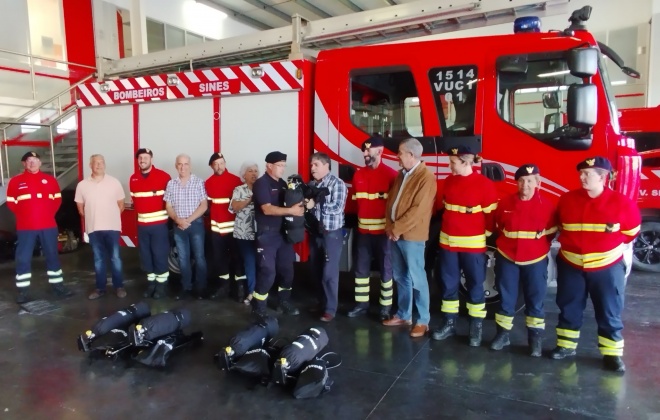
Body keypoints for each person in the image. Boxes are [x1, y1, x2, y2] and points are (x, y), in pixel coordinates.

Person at [550, 157, 640, 372]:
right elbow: (560, 225)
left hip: (606, 266)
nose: (582, 178)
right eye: (580, 173)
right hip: (571, 264)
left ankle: (612, 354)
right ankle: (566, 346)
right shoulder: (567, 200)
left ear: (602, 177)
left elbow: (631, 233)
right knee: (569, 307)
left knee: (609, 310)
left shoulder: (621, 203)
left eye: (587, 174)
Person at [431, 145, 498, 347]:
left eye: (453, 163)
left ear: (466, 162)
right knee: (448, 286)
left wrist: (482, 235)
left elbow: (491, 216)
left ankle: (475, 327)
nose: (450, 167)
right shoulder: (449, 182)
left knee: (475, 286)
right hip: (448, 244)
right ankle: (449, 323)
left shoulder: (484, 184)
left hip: (472, 246)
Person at [489, 164, 557, 356]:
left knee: (535, 301)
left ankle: (535, 340)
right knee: (505, 299)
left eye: (529, 181)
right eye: (521, 181)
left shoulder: (547, 205)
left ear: (538, 183)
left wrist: (537, 248)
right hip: (507, 257)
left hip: (535, 260)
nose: (525, 185)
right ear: (516, 182)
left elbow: (551, 232)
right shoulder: (505, 204)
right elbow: (497, 226)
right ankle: (503, 335)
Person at [382, 138, 437, 338]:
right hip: (396, 233)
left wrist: (395, 229)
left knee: (417, 279)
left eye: (400, 152)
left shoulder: (426, 178)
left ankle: (423, 320)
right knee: (400, 277)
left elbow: (418, 211)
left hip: (412, 236)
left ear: (411, 155)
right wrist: (390, 226)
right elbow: (391, 203)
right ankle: (404, 315)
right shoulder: (401, 175)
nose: (397, 156)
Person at [6, 151, 73, 303]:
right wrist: (25, 215)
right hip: (26, 227)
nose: (32, 162)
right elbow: (11, 203)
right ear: (24, 164)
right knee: (23, 258)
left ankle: (58, 287)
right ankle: (23, 292)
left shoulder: (50, 180)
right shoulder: (16, 182)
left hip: (48, 226)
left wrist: (47, 215)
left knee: (52, 256)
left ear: (40, 163)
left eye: (35, 160)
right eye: (29, 160)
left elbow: (57, 201)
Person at [347, 137, 398, 321]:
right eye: (364, 151)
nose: (366, 154)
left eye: (369, 151)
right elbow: (353, 203)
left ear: (380, 151)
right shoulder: (358, 175)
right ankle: (361, 305)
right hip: (363, 233)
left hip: (383, 234)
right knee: (361, 271)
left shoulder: (391, 175)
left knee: (386, 270)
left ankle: (386, 307)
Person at [251, 151, 304, 317]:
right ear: (269, 166)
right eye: (279, 165)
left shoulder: (282, 184)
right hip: (267, 236)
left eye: (283, 166)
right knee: (268, 272)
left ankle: (283, 301)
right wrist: (291, 211)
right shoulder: (261, 183)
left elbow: (293, 202)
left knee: (287, 270)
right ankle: (259, 306)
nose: (282, 169)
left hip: (283, 235)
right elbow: (266, 209)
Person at [75, 154, 127, 299]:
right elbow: (80, 208)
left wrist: (107, 216)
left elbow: (121, 205)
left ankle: (119, 287)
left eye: (101, 162)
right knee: (98, 259)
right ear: (90, 165)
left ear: (105, 164)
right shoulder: (82, 185)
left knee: (115, 258)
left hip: (112, 227)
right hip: (93, 229)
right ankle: (100, 288)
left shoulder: (114, 182)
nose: (99, 165)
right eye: (95, 163)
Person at [305, 152, 348, 322]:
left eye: (315, 165)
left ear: (326, 165)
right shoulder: (311, 185)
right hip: (315, 233)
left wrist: (315, 203)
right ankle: (321, 303)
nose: (312, 168)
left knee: (329, 273)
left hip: (331, 234)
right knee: (316, 269)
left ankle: (330, 309)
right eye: (311, 165)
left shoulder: (337, 184)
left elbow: (337, 207)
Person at [164, 154, 208, 300]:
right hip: (178, 226)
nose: (183, 167)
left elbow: (204, 206)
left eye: (186, 164)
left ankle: (200, 289)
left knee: (199, 257)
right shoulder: (171, 184)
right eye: (180, 164)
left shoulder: (198, 182)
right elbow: (168, 206)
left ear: (190, 165)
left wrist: (187, 220)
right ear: (176, 166)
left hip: (195, 225)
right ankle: (186, 287)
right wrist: (177, 219)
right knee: (183, 259)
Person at [129, 148, 171, 299]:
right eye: (140, 158)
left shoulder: (163, 177)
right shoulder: (133, 178)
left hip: (159, 226)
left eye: (145, 157)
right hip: (142, 227)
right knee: (146, 257)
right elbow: (135, 201)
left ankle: (162, 286)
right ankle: (151, 284)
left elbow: (170, 201)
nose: (142, 160)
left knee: (159, 256)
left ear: (151, 159)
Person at [205, 152, 245, 299]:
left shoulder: (235, 181)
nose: (219, 166)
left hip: (234, 230)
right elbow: (208, 205)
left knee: (237, 259)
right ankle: (224, 287)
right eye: (216, 164)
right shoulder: (208, 183)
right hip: (217, 230)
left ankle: (240, 289)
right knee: (219, 260)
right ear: (211, 166)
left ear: (225, 163)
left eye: (221, 163)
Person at [229, 162, 259, 305]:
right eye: (250, 171)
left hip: (260, 233)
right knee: (249, 261)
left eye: (255, 171)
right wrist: (250, 199)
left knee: (263, 263)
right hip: (243, 233)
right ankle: (251, 293)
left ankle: (261, 292)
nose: (254, 173)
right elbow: (234, 207)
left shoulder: (262, 188)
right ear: (244, 175)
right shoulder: (239, 190)